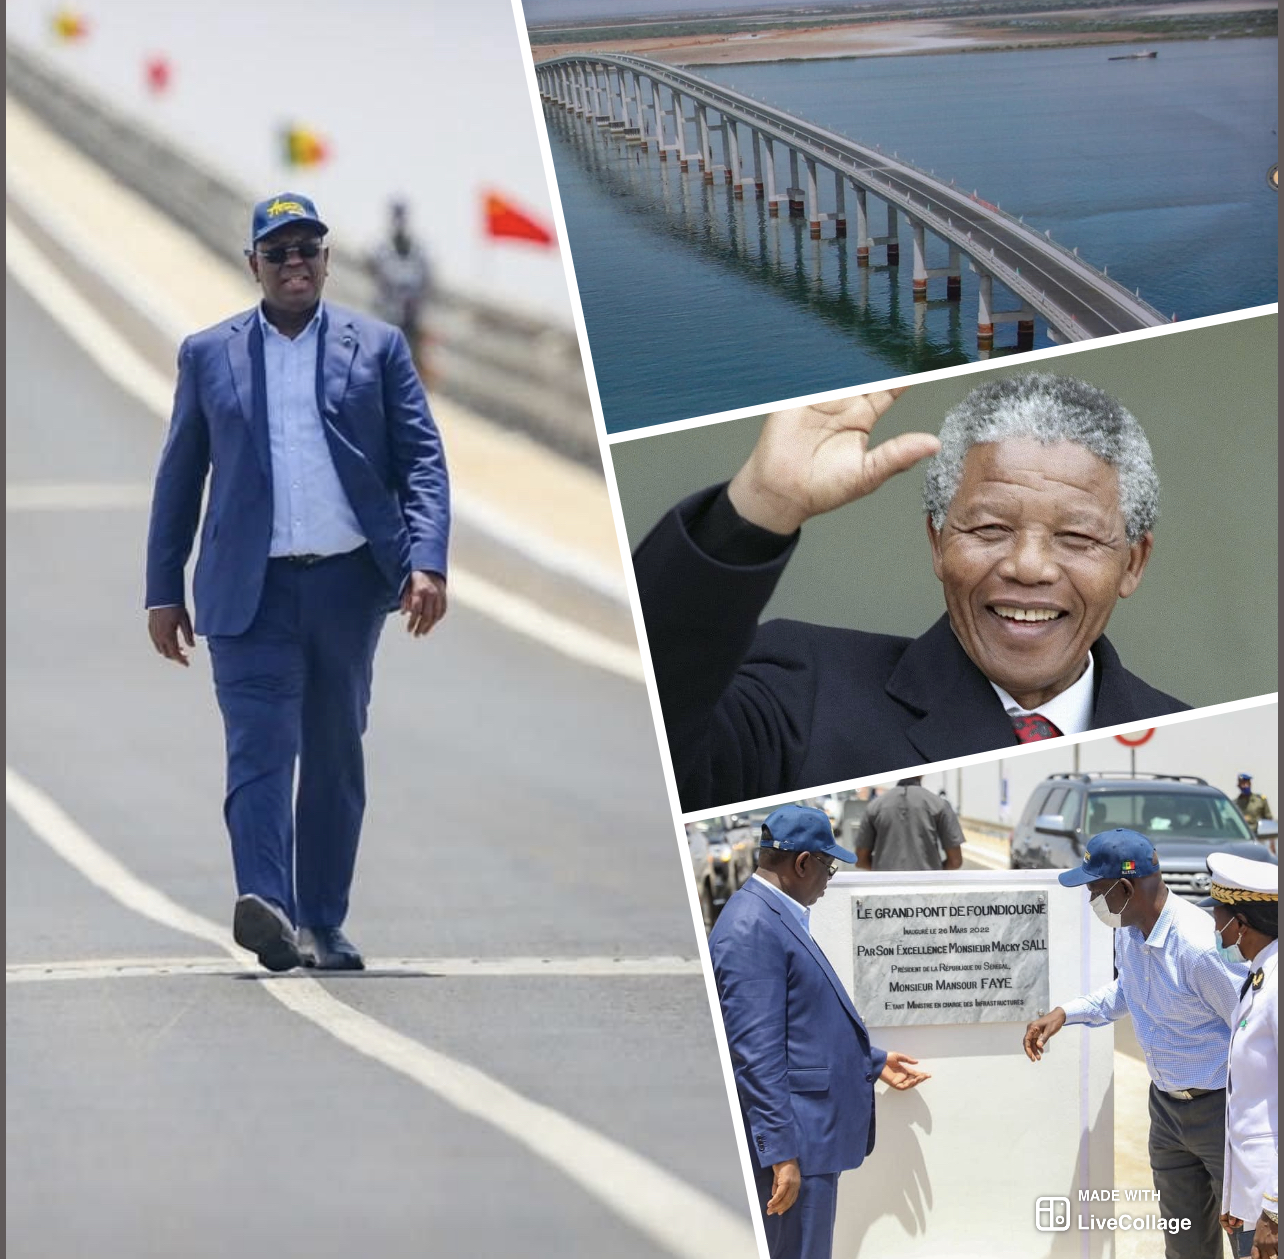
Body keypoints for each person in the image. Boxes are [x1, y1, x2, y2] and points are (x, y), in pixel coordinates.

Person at [632, 375, 1189, 812]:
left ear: (1132, 562)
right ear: (937, 542)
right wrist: (761, 504)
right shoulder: (801, 693)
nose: (1028, 566)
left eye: (1076, 537)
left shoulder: (1182, 737)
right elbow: (650, 736)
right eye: (990, 529)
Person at [145, 192, 450, 972]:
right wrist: (162, 588)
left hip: (349, 587)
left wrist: (427, 560)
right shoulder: (209, 353)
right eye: (277, 253)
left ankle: (321, 918)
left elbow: (422, 461)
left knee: (335, 755)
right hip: (248, 593)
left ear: (327, 259)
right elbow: (180, 477)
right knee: (259, 748)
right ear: (253, 265)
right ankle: (267, 904)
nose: (294, 265)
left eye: (307, 250)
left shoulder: (377, 347)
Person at [708, 804, 930, 1259]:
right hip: (796, 1146)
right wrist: (781, 1155)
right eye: (827, 865)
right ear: (802, 863)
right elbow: (754, 1052)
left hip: (809, 1138)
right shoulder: (752, 927)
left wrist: (872, 1061)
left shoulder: (774, 914)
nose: (830, 877)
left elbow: (802, 1019)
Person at [1023, 829, 1247, 1258]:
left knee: (1250, 1239)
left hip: (1222, 1112)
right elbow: (1128, 992)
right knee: (1185, 1246)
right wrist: (1066, 1013)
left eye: (1095, 891)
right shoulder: (1130, 929)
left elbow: (1253, 1028)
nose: (1093, 902)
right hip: (1167, 1111)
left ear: (1125, 888)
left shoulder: (1197, 948)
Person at [1200, 854, 1278, 1259]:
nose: (1216, 930)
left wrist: (1275, 1212)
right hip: (1255, 1200)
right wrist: (1235, 1197)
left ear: (1242, 924)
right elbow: (1248, 1106)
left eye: (1219, 919)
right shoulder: (1259, 976)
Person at [368, 199, 434, 383]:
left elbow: (427, 283)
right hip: (387, 316)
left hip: (411, 319)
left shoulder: (419, 252)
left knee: (412, 365)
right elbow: (377, 276)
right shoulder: (380, 250)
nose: (399, 222)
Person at [854, 776, 964, 871]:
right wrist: (933, 873)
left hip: (886, 891)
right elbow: (955, 861)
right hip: (927, 891)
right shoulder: (939, 805)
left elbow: (860, 860)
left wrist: (882, 872)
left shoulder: (874, 806)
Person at [1233, 774, 1273, 838]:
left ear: (1250, 784)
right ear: (1238, 786)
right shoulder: (1235, 803)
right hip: (1240, 836)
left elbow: (1268, 819)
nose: (1244, 786)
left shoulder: (1260, 800)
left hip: (1257, 835)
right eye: (1242, 784)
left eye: (1246, 784)